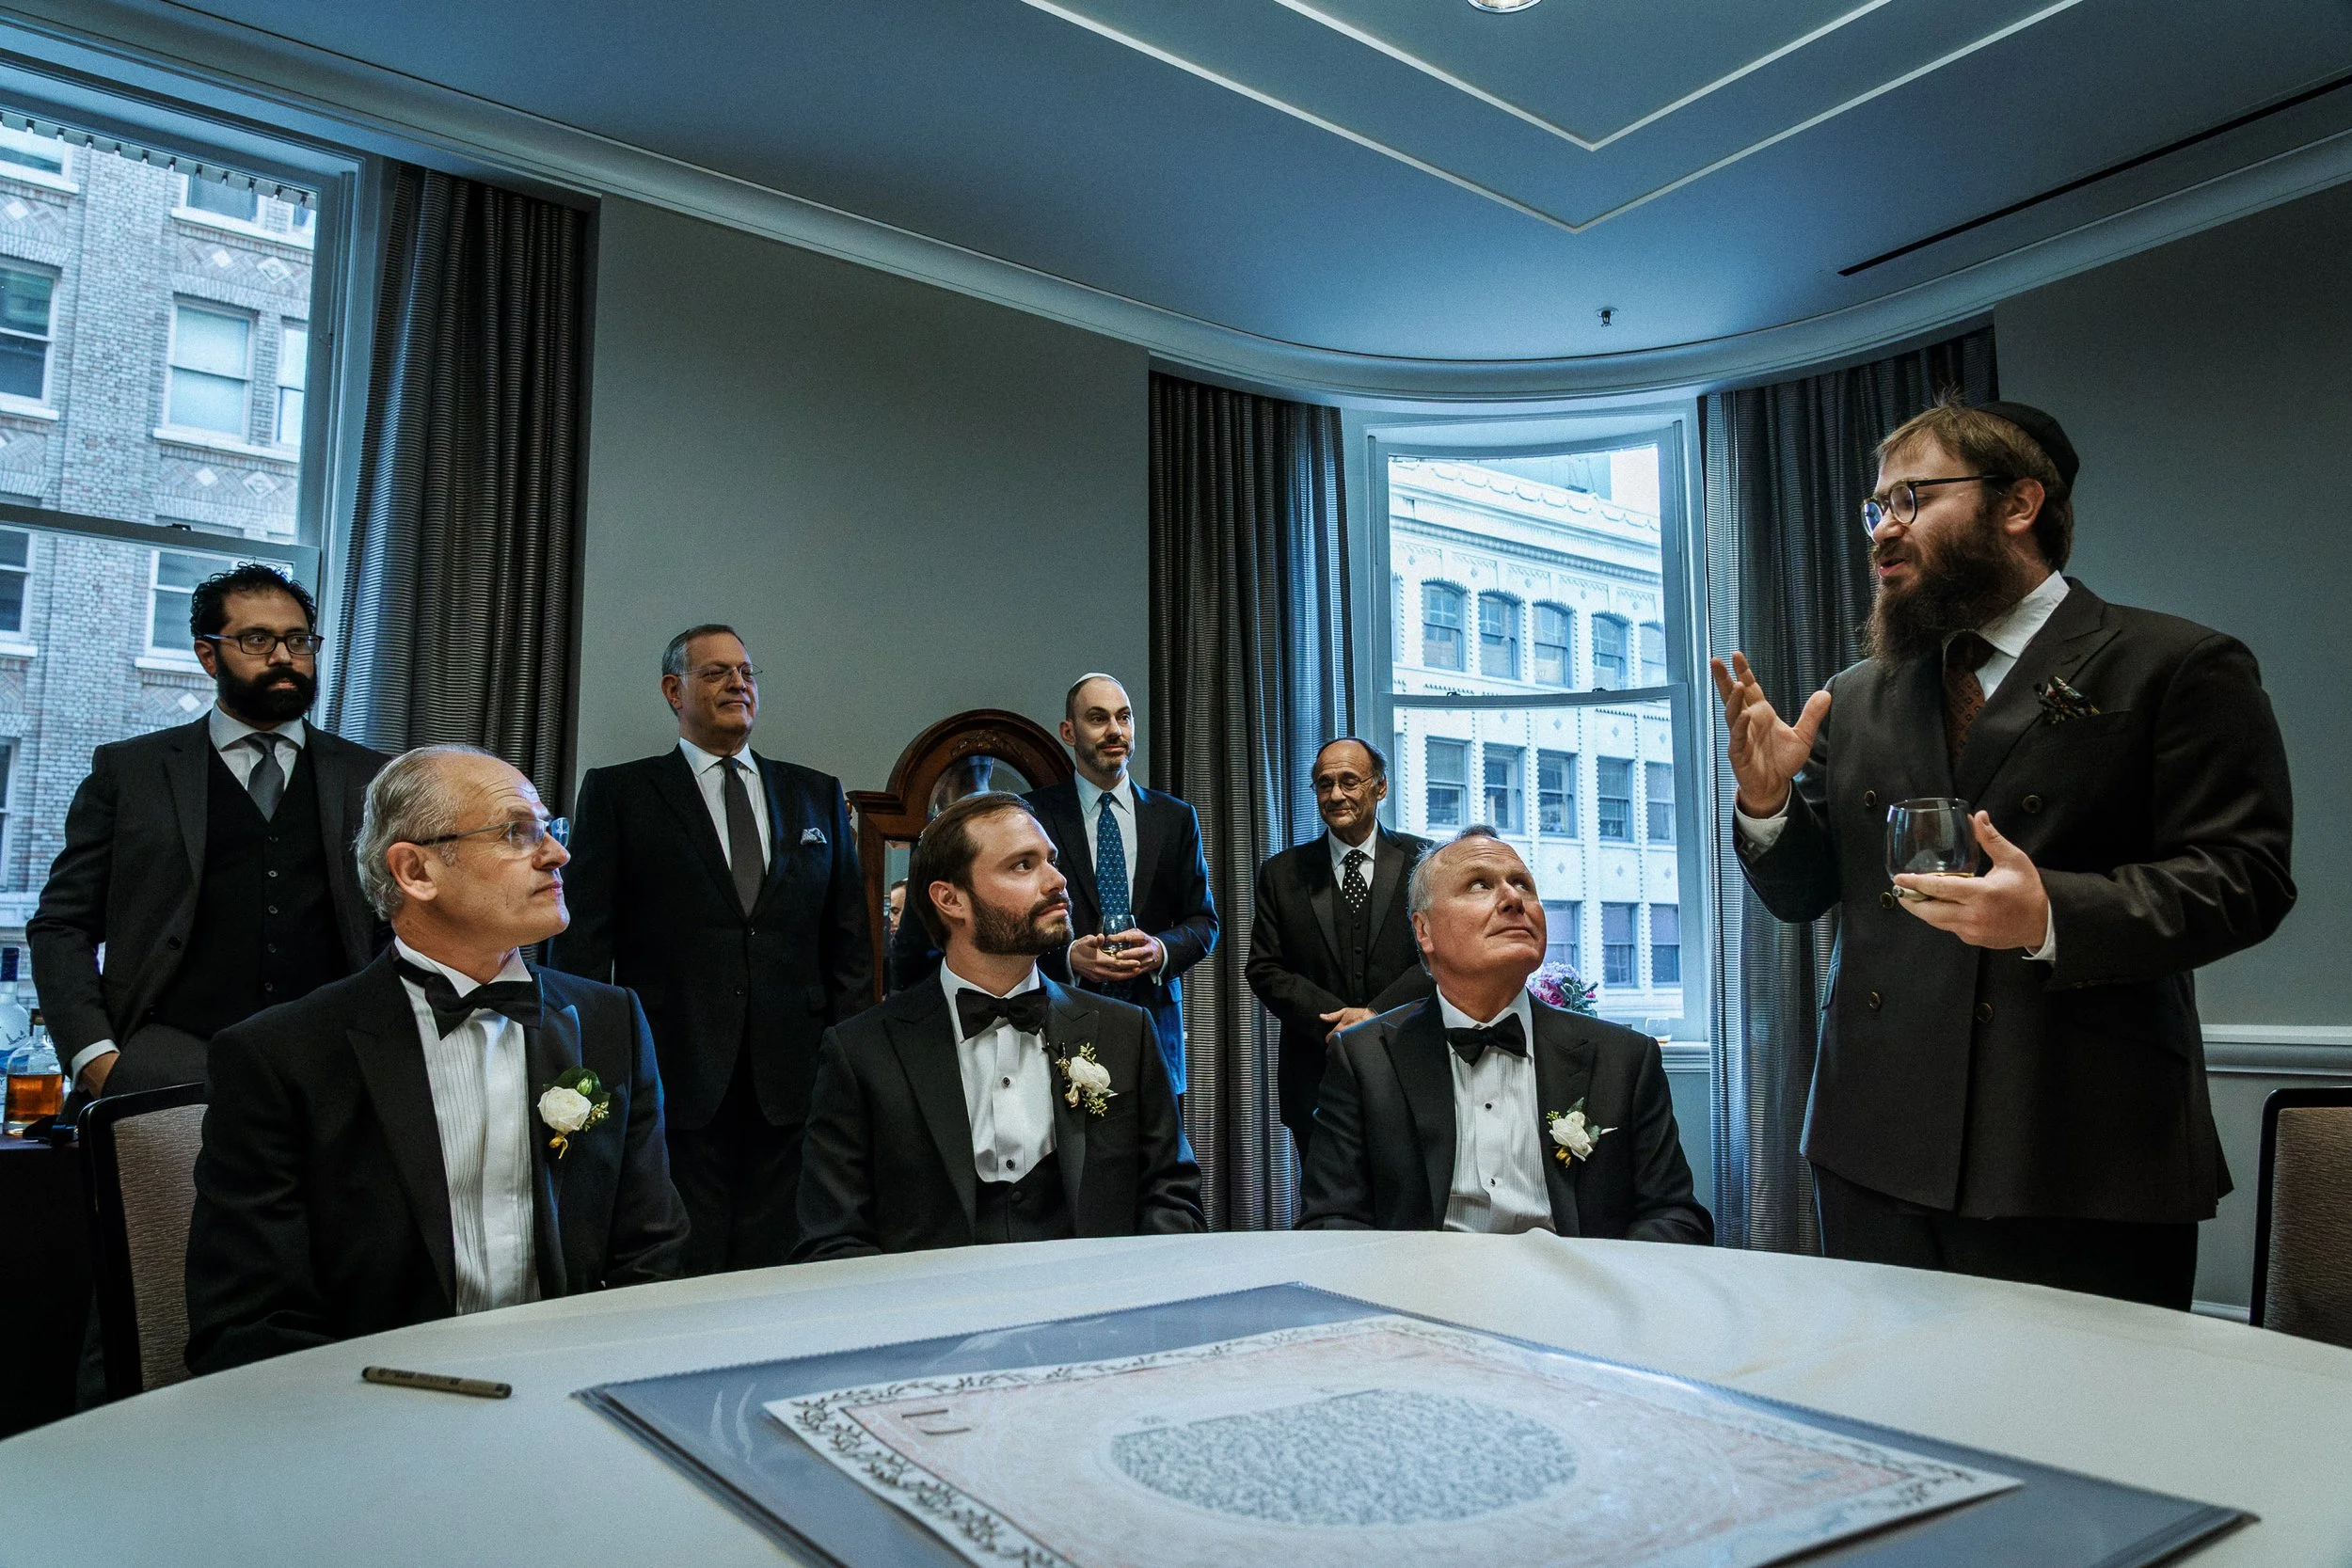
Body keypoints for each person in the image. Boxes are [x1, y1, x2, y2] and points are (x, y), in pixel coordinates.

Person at [1713, 397, 2295, 1309]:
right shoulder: (1854, 697)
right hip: (1872, 1148)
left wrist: (2049, 915)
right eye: (1874, 509)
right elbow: (1803, 893)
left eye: (1909, 499)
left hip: (2077, 1146)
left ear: (2017, 503)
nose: (1881, 532)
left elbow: (2243, 878)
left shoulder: (2174, 663)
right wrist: (1764, 800)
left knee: (2078, 1432)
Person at [184, 746, 688, 1372]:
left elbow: (650, 1252)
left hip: (569, 1389)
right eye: (514, 832)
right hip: (369, 1413)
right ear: (416, 871)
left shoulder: (612, 1023)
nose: (558, 852)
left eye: (548, 828)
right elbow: (249, 1322)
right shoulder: (279, 1056)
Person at [548, 625, 869, 1274]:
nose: (738, 684)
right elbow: (583, 945)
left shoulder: (816, 794)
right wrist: (581, 1065)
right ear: (674, 690)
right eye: (717, 672)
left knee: (782, 1262)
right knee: (681, 1262)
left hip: (795, 1074)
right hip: (672, 1068)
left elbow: (850, 945)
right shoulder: (620, 794)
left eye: (747, 673)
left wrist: (853, 1060)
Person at [29, 564, 389, 1101]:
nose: (284, 657)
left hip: (337, 1067)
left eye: (297, 640)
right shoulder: (130, 773)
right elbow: (62, 925)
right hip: (164, 1063)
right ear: (207, 655)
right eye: (256, 640)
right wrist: (94, 1057)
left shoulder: (375, 777)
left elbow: (407, 922)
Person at [795, 792, 1203, 1259]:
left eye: (1050, 860)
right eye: (1022, 866)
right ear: (951, 899)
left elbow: (1173, 1198)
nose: (1057, 880)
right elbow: (833, 1239)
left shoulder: (1125, 1032)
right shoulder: (862, 1052)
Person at [1297, 828, 1709, 1243]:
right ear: (1424, 931)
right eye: (1479, 885)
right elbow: (1332, 1222)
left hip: (1581, 1294)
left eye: (1523, 885)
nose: (1514, 899)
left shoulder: (1624, 1058)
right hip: (1421, 1291)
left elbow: (1674, 1215)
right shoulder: (1365, 1058)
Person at [1025, 673, 1216, 1096]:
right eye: (1098, 718)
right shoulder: (1034, 816)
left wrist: (1160, 950)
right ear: (1069, 732)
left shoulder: (1174, 818)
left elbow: (1204, 921)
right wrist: (1069, 957)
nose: (1115, 730)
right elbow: (1016, 922)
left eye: (1124, 717)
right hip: (1060, 1022)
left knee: (1161, 1161)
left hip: (1154, 1029)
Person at [1245, 738, 1433, 1162]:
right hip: (1314, 1074)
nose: (1335, 795)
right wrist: (1339, 1023)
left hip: (1409, 1065)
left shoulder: (1426, 861)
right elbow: (1264, 967)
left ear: (1380, 787)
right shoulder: (1281, 872)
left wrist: (1374, 1015)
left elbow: (1438, 956)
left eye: (1349, 781)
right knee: (1324, 1211)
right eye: (1324, 784)